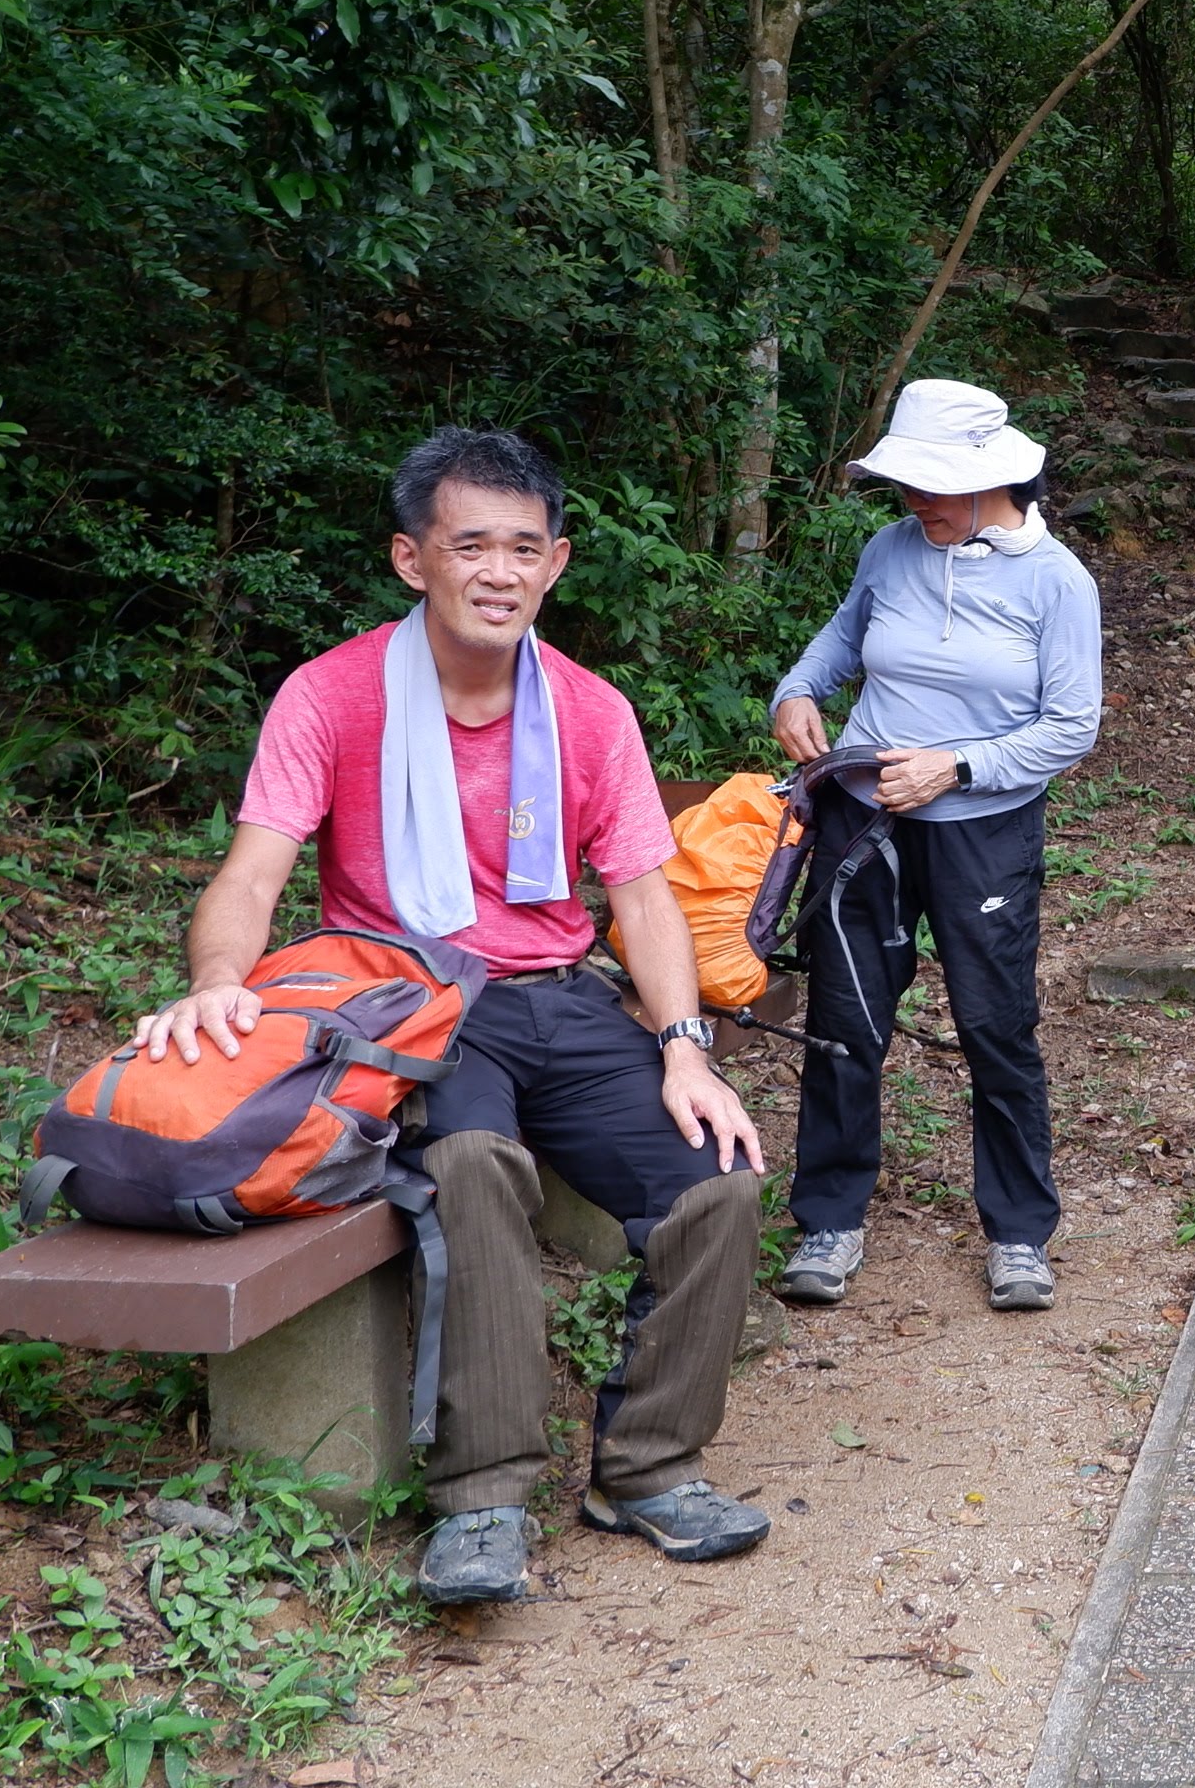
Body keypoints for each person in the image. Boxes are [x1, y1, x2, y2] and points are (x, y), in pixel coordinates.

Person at [127, 428, 771, 1605]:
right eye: (470, 544)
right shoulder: (333, 693)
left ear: (556, 561)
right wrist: (220, 975)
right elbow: (253, 870)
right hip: (413, 1001)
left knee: (716, 1178)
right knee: (473, 1164)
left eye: (524, 547)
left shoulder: (588, 709)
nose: (499, 571)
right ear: (411, 557)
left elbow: (642, 897)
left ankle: (647, 1467)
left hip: (561, 995)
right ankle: (482, 1495)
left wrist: (685, 1047)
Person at [766, 380, 1103, 1311]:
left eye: (935, 485)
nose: (917, 501)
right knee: (844, 1018)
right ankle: (829, 1219)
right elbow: (841, 641)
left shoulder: (1057, 581)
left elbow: (1071, 726)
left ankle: (1021, 1233)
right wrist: (796, 692)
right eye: (907, 483)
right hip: (862, 819)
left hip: (983, 831)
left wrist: (957, 767)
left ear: (994, 480)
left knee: (995, 1025)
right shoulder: (891, 548)